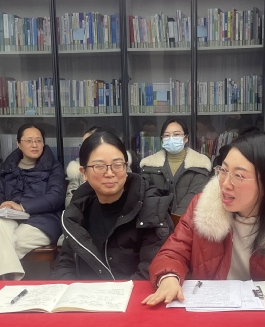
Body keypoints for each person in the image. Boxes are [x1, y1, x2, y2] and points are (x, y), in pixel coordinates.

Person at [143, 129, 265, 307]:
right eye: (223, 170)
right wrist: (169, 277)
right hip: (211, 312)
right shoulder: (203, 206)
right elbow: (172, 253)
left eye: (239, 176)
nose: (225, 183)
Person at [52, 131, 173, 280]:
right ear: (84, 173)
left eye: (117, 165)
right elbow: (65, 264)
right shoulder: (78, 210)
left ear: (126, 167)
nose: (109, 173)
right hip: (84, 293)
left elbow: (151, 270)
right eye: (99, 166)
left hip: (133, 292)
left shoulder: (152, 207)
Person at [0, 123, 66, 279]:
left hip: (43, 221)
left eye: (38, 141)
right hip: (12, 218)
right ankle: (9, 282)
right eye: (29, 141)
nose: (34, 145)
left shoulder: (54, 167)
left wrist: (23, 207)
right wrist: (2, 207)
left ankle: (5, 282)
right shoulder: (8, 168)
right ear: (18, 144)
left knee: (2, 245)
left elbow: (56, 197)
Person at [139, 118, 212, 214]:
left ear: (186, 138)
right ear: (162, 139)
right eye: (167, 135)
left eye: (176, 134)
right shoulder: (149, 166)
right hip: (157, 221)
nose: (171, 139)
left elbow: (194, 197)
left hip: (186, 221)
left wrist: (176, 219)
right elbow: (148, 198)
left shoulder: (200, 165)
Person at [65, 126, 101, 207]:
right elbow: (69, 203)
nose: (84, 148)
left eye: (87, 143)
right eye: (83, 144)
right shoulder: (76, 169)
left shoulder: (118, 166)